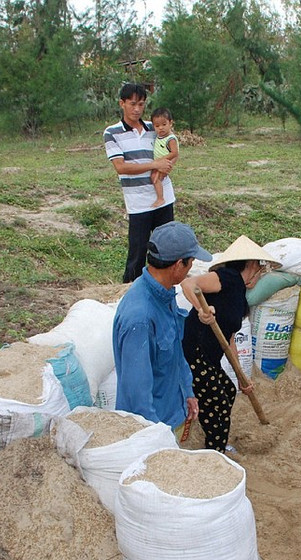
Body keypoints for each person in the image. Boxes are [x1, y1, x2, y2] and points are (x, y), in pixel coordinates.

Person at [180, 236, 280, 452]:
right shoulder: (228, 277)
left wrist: (242, 377)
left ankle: (214, 440)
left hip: (210, 355)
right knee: (218, 402)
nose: (262, 273)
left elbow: (230, 338)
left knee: (227, 389)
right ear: (252, 264)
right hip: (194, 351)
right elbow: (189, 284)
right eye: (261, 268)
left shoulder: (240, 296)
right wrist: (201, 310)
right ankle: (215, 452)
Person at [112, 222, 213, 433]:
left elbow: (175, 351)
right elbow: (137, 396)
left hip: (172, 411)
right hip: (153, 427)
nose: (192, 267)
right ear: (178, 265)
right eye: (191, 262)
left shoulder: (165, 293)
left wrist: (187, 391)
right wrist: (158, 437)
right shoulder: (139, 318)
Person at [104, 83, 176, 283]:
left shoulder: (155, 127)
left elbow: (172, 149)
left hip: (164, 198)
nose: (137, 109)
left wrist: (168, 164)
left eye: (141, 104)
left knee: (166, 249)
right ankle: (129, 291)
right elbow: (121, 167)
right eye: (132, 104)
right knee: (137, 252)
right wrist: (154, 164)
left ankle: (165, 290)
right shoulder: (112, 133)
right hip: (138, 202)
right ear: (122, 103)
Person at [149, 107, 179, 209]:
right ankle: (159, 197)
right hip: (159, 163)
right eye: (157, 126)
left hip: (165, 162)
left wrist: (162, 160)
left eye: (164, 124)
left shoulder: (170, 138)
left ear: (170, 123)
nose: (161, 128)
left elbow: (175, 153)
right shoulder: (159, 136)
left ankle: (160, 198)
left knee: (155, 178)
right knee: (154, 177)